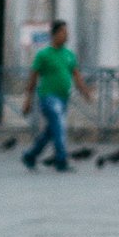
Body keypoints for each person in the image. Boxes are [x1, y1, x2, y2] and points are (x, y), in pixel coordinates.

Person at [21, 19, 89, 171]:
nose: (66, 35)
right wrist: (28, 100)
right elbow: (33, 78)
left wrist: (85, 91)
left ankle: (30, 155)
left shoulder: (69, 55)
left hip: (63, 98)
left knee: (51, 131)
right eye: (63, 32)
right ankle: (61, 160)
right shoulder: (43, 54)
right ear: (55, 34)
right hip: (48, 97)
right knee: (59, 124)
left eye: (67, 32)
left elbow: (76, 75)